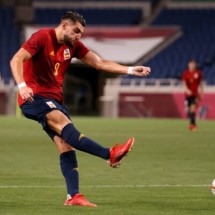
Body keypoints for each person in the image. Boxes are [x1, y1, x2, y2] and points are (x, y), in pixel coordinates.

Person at [10, 11, 151, 207]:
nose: (78, 36)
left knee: (66, 145)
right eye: (76, 31)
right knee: (64, 125)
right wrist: (22, 86)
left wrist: (129, 70)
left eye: (81, 33)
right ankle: (109, 153)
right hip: (35, 97)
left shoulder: (73, 46)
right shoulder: (42, 37)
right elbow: (16, 59)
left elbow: (99, 63)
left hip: (55, 100)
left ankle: (73, 196)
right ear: (64, 25)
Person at [182, 59, 203, 131]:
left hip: (195, 94)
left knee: (193, 108)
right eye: (191, 64)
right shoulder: (186, 73)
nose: (192, 65)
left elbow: (200, 83)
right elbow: (184, 83)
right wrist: (187, 90)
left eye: (193, 64)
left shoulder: (198, 73)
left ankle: (193, 125)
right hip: (188, 94)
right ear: (188, 65)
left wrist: (202, 92)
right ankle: (191, 124)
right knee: (190, 110)